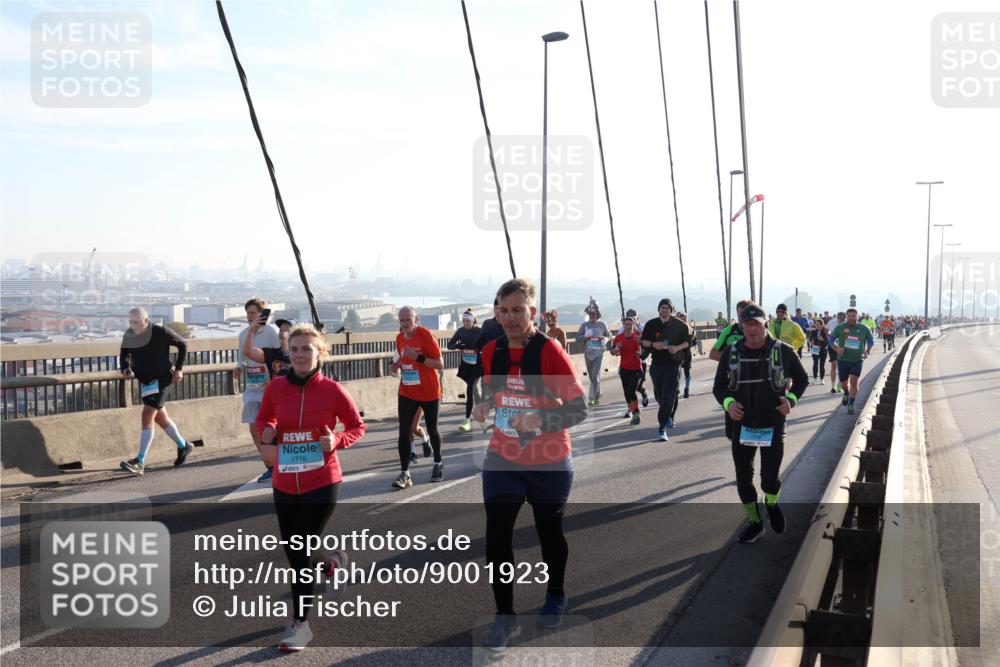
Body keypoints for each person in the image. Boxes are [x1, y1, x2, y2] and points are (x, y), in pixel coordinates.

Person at [473, 278, 588, 653]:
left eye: (517, 310)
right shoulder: (491, 350)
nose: (509, 318)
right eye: (504, 310)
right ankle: (504, 618)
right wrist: (485, 405)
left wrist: (539, 420)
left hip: (549, 461)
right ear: (496, 312)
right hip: (503, 458)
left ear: (532, 312)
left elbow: (578, 409)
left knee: (549, 533)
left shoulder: (549, 351)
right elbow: (494, 391)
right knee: (497, 539)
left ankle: (555, 592)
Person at [256, 323, 366, 652]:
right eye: (295, 349)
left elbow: (357, 426)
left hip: (322, 479)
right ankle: (331, 564)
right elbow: (264, 418)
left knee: (300, 550)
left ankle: (300, 625)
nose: (300, 354)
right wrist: (267, 431)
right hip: (285, 479)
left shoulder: (332, 390)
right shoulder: (276, 387)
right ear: (288, 353)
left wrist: (337, 440)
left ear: (320, 353)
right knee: (295, 550)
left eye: (307, 349)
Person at [713, 303, 809, 544]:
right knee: (743, 479)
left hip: (772, 424)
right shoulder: (731, 352)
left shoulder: (783, 351)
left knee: (769, 480)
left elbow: (802, 379)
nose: (752, 329)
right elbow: (719, 387)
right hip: (741, 425)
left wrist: (791, 400)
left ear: (765, 324)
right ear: (742, 326)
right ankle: (755, 522)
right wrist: (729, 404)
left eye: (756, 324)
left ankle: (771, 503)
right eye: (747, 324)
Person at [118, 307, 193, 476]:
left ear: (146, 321)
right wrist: (125, 368)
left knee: (147, 415)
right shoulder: (129, 335)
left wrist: (179, 369)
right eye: (131, 322)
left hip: (162, 379)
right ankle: (184, 446)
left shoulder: (161, 332)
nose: (133, 325)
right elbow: (124, 354)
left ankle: (140, 461)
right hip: (145, 382)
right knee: (160, 417)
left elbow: (183, 344)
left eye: (136, 322)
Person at [389, 307, 445, 488]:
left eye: (408, 319)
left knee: (432, 429)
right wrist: (396, 366)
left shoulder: (426, 335)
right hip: (407, 391)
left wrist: (419, 358)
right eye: (402, 320)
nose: (405, 324)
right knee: (404, 431)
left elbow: (439, 364)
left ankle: (438, 463)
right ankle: (405, 474)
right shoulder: (399, 338)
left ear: (416, 319)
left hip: (429, 392)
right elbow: (403, 359)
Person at [237, 298, 282, 482]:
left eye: (253, 313)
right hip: (252, 386)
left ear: (262, 315)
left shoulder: (272, 332)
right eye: (248, 313)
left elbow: (281, 357)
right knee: (254, 427)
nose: (250, 316)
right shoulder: (243, 334)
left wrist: (273, 378)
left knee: (271, 427)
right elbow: (242, 358)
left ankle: (280, 462)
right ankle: (270, 466)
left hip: (271, 386)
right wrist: (239, 367)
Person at [641, 298, 692, 441]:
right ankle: (666, 413)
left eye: (667, 308)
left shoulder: (680, 325)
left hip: (673, 364)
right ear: (658, 309)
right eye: (662, 307)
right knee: (659, 395)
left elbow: (688, 342)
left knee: (669, 396)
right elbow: (643, 341)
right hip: (656, 364)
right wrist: (654, 344)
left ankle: (662, 428)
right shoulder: (651, 324)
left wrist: (677, 347)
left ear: (671, 310)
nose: (664, 310)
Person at [829, 307, 875, 415]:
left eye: (853, 316)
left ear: (857, 316)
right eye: (849, 316)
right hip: (843, 360)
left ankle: (851, 404)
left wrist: (867, 351)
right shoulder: (840, 327)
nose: (851, 318)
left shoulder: (864, 328)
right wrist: (837, 349)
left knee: (854, 381)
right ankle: (846, 392)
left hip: (857, 360)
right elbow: (830, 340)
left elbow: (871, 341)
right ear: (846, 317)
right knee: (844, 383)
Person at [447, 309, 483, 432]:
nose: (466, 323)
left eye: (468, 320)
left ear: (473, 321)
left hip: (477, 365)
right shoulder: (460, 331)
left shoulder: (479, 331)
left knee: (470, 389)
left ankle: (467, 421)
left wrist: (477, 348)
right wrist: (459, 346)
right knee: (473, 390)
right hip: (466, 365)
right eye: (464, 321)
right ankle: (482, 417)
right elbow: (449, 345)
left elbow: (486, 344)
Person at [574, 298, 611, 407]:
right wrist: (585, 336)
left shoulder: (602, 324)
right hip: (588, 354)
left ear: (597, 314)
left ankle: (591, 399)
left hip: (599, 354)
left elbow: (609, 335)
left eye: (593, 313)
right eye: (590, 313)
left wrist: (605, 340)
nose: (592, 315)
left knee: (595, 375)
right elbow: (577, 339)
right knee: (592, 377)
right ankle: (598, 393)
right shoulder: (584, 325)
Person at [611, 316, 644, 425]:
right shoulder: (618, 338)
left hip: (636, 369)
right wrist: (617, 349)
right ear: (623, 325)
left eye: (630, 324)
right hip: (624, 369)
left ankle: (636, 412)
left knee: (631, 391)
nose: (628, 326)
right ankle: (631, 408)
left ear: (634, 326)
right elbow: (612, 352)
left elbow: (646, 349)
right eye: (626, 324)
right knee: (626, 392)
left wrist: (641, 354)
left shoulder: (638, 337)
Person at [625, 308, 650, 407]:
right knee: (628, 387)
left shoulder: (643, 327)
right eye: (629, 317)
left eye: (633, 318)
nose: (631, 320)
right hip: (628, 361)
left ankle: (644, 393)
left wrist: (637, 327)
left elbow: (648, 338)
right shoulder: (623, 328)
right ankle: (631, 408)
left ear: (637, 318)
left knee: (637, 386)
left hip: (641, 361)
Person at [674, 311, 696, 400]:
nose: (683, 321)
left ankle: (687, 388)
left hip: (686, 354)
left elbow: (694, 342)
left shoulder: (691, 330)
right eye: (681, 320)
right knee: (676, 373)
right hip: (677, 354)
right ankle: (677, 389)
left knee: (687, 372)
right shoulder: (675, 329)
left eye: (685, 319)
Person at [808, 318, 829, 384]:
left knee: (822, 365)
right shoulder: (814, 331)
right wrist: (811, 341)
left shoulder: (825, 331)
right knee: (815, 364)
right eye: (816, 324)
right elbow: (810, 339)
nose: (816, 325)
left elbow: (828, 342)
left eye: (818, 324)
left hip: (823, 350)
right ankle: (815, 379)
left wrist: (822, 339)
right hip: (815, 349)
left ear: (822, 325)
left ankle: (822, 379)